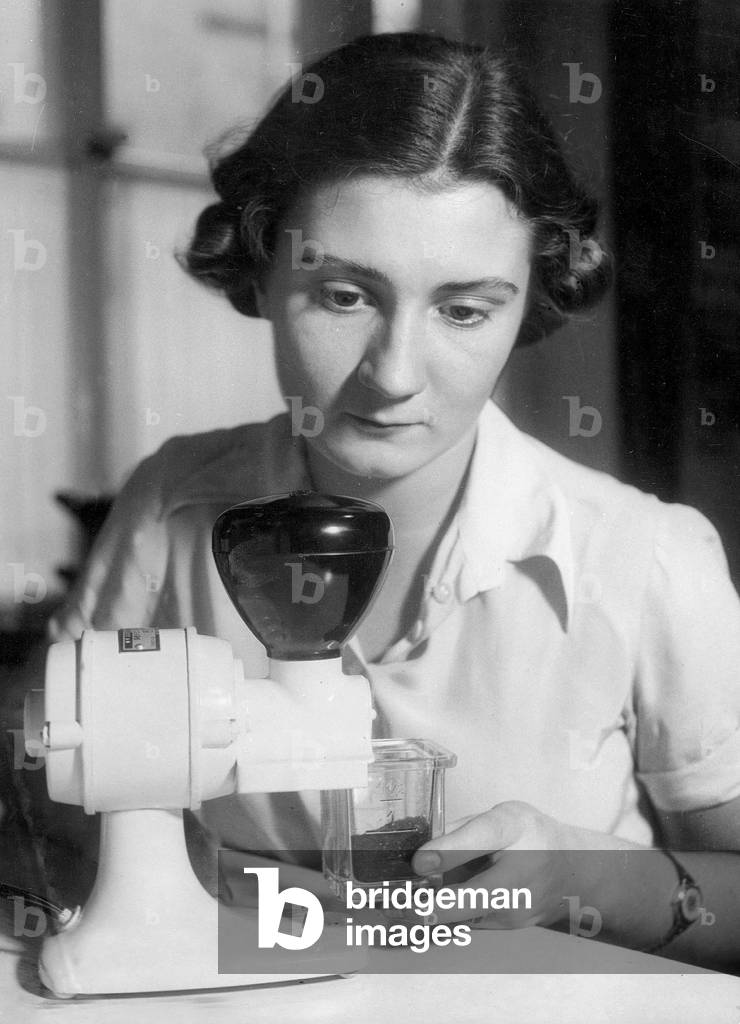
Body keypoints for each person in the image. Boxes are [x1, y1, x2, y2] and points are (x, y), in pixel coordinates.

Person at [46, 33, 740, 969]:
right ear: (260, 268)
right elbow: (62, 822)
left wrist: (586, 879)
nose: (395, 375)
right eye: (343, 295)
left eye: (464, 309)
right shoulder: (171, 506)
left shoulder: (648, 558)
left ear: (534, 294)